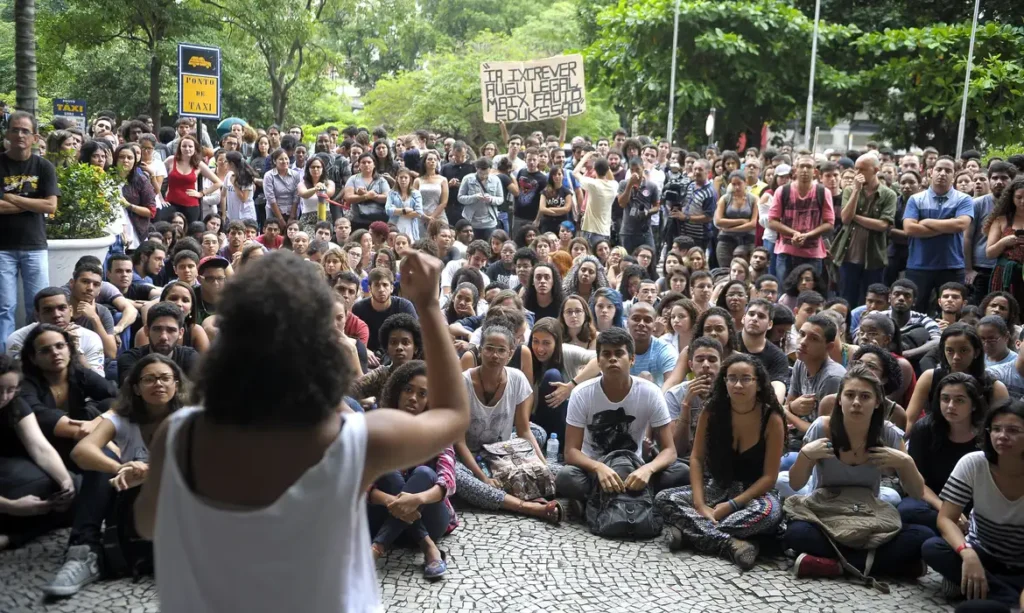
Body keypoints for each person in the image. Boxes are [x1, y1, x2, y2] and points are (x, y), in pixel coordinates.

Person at [782, 366, 931, 580]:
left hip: (867, 516)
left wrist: (906, 462)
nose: (856, 403)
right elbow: (796, 484)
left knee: (922, 536)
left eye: (865, 396)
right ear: (839, 399)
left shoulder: (886, 432)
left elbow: (917, 493)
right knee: (796, 533)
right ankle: (880, 564)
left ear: (877, 402)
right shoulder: (822, 428)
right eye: (850, 395)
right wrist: (805, 455)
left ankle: (837, 565)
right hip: (824, 511)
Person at [656, 354, 785, 569]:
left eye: (746, 379)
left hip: (753, 494)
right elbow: (696, 459)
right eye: (731, 378)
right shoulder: (712, 410)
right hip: (716, 487)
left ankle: (690, 532)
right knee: (663, 499)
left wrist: (732, 505)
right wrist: (699, 505)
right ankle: (732, 544)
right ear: (724, 382)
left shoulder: (772, 418)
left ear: (759, 384)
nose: (737, 385)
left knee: (768, 514)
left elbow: (770, 478)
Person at [556, 327, 687, 511]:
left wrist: (647, 470)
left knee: (681, 472)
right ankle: (631, 499)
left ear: (632, 359)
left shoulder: (650, 392)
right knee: (566, 477)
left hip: (635, 469)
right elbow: (570, 452)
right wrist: (598, 468)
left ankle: (600, 500)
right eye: (606, 354)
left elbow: (670, 451)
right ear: (598, 362)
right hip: (594, 471)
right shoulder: (582, 393)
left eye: (619, 353)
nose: (612, 359)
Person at [920, 399, 1024, 610]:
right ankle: (1002, 592)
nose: (1002, 436)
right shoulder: (974, 463)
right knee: (932, 547)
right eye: (996, 429)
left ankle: (982, 589)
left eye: (1013, 430)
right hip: (981, 550)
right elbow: (946, 518)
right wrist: (967, 553)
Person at [453, 324, 562, 523]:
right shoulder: (462, 382)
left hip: (503, 452)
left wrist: (543, 465)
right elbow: (458, 441)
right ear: (480, 350)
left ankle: (527, 488)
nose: (494, 355)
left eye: (501, 350)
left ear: (510, 354)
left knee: (545, 445)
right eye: (489, 348)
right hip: (468, 455)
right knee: (454, 475)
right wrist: (482, 477)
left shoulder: (517, 378)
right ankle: (526, 506)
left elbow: (524, 430)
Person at [369, 360, 457, 579]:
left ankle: (377, 548)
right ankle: (428, 546)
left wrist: (416, 499)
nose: (413, 398)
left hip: (430, 516)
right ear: (397, 391)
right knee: (388, 472)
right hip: (383, 513)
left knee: (425, 474)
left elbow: (447, 481)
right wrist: (394, 502)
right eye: (408, 390)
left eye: (422, 394)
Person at [0, 354, 76, 551]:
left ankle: (11, 536)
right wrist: (11, 506)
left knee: (75, 487)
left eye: (10, 390)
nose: (4, 397)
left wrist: (64, 480)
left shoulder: (15, 404)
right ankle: (14, 534)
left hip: (13, 467)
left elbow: (39, 447)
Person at [0, 112, 59, 353]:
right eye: (15, 130)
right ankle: (5, 360)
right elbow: (41, 204)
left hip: (35, 246)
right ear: (7, 134)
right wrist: (32, 202)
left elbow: (50, 206)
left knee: (39, 305)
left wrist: (12, 198)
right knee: (4, 307)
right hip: (2, 247)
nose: (20, 135)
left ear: (35, 137)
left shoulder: (44, 166)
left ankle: (35, 354)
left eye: (25, 131)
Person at [898, 372, 984, 537]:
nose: (951, 406)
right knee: (907, 510)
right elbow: (917, 482)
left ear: (973, 404)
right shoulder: (924, 430)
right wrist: (946, 510)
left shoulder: (986, 435)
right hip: (933, 501)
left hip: (972, 505)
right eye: (945, 399)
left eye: (959, 400)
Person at [902, 156, 974, 313]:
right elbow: (909, 229)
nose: (942, 173)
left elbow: (961, 225)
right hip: (918, 265)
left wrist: (926, 221)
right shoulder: (916, 199)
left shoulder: (964, 199)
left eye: (948, 171)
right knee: (915, 311)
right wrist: (948, 225)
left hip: (952, 266)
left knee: (952, 312)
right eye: (939, 169)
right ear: (930, 172)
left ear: (953, 176)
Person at [906, 323, 1009, 432]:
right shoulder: (929, 377)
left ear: (976, 352)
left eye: (963, 350)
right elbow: (910, 420)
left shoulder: (995, 388)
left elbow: (1003, 428)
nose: (956, 357)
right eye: (950, 350)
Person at [780, 314, 847, 471]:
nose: (803, 342)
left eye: (814, 339)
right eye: (802, 334)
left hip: (824, 449)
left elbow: (821, 432)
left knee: (784, 461)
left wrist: (786, 411)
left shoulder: (832, 377)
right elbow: (789, 404)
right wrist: (790, 408)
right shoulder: (800, 362)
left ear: (829, 347)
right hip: (798, 436)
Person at [832, 154, 898, 306]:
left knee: (871, 301)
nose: (858, 173)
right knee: (846, 299)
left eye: (862, 169)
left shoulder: (889, 195)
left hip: (874, 258)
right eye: (856, 169)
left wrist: (856, 217)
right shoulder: (849, 190)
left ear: (875, 170)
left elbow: (883, 225)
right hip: (848, 256)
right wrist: (856, 191)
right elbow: (846, 219)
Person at [6, 287, 105, 375]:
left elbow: (99, 383)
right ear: (37, 316)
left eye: (62, 308)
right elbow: (19, 381)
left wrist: (76, 350)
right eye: (48, 310)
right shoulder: (18, 339)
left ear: (70, 311)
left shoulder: (90, 338)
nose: (57, 315)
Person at [767, 154, 835, 282]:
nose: (805, 170)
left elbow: (829, 223)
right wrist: (794, 233)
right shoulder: (782, 191)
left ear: (815, 172)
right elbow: (772, 221)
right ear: (795, 170)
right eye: (801, 166)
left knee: (810, 295)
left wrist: (807, 235)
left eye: (808, 167)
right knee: (785, 294)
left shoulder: (823, 192)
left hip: (813, 254)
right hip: (786, 252)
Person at [965, 161, 1017, 303]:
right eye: (994, 178)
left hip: (1009, 267)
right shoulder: (978, 204)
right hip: (981, 268)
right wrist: (968, 269)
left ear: (1012, 181)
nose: (999, 182)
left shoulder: (1018, 205)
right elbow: (967, 237)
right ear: (989, 180)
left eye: (1004, 178)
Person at [117, 301, 199, 385]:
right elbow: (129, 391)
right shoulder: (130, 358)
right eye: (157, 329)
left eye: (171, 330)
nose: (163, 337)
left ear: (181, 333)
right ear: (146, 330)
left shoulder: (190, 357)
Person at [351, 313, 422, 404]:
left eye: (405, 342)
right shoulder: (381, 375)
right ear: (387, 348)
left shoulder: (424, 375)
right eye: (393, 342)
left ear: (415, 348)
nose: (399, 347)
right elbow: (350, 391)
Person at [351, 267, 417, 355]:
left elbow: (416, 335)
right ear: (370, 288)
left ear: (392, 288)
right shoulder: (358, 309)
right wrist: (364, 351)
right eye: (377, 285)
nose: (381, 289)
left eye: (385, 285)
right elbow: (351, 337)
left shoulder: (404, 306)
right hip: (368, 357)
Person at [984, 177, 1024, 308]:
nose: (1022, 201)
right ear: (1012, 198)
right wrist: (1003, 242)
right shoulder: (1001, 220)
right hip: (1004, 273)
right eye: (1019, 197)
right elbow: (989, 253)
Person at [164, 135, 221, 224]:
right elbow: (157, 175)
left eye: (190, 146)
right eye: (184, 146)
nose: (187, 149)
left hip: (191, 205)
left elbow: (218, 183)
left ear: (195, 148)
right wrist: (159, 195)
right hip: (171, 203)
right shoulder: (171, 160)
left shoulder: (198, 164)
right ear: (180, 148)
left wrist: (201, 193)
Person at [713, 171, 758, 271]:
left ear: (745, 182)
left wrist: (728, 229)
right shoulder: (725, 199)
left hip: (748, 240)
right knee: (725, 270)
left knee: (749, 270)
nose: (737, 187)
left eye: (739, 184)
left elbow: (753, 224)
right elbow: (718, 221)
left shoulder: (753, 199)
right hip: (726, 240)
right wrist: (741, 221)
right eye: (734, 184)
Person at [625, 302, 676, 387]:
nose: (641, 323)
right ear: (627, 322)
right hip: (624, 397)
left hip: (658, 397)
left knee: (645, 377)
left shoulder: (664, 349)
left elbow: (672, 387)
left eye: (647, 320)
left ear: (654, 325)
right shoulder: (617, 349)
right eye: (636, 319)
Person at [617, 156, 660, 254]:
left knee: (650, 256)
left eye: (637, 169)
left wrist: (648, 212)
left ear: (643, 168)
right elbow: (622, 203)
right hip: (627, 231)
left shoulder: (651, 186)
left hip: (645, 231)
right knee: (628, 260)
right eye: (632, 170)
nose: (634, 172)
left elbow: (657, 207)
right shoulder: (624, 184)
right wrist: (629, 185)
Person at [574, 152, 619, 246]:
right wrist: (603, 160)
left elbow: (575, 172)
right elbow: (611, 178)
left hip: (591, 230)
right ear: (607, 169)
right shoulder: (614, 185)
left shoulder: (593, 184)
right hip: (606, 231)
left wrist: (586, 157)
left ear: (594, 169)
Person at [458, 158, 502, 241]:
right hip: (471, 221)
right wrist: (474, 197)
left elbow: (500, 199)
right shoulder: (467, 179)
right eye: (481, 173)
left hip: (490, 222)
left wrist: (491, 199)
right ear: (476, 169)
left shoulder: (496, 180)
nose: (483, 176)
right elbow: (460, 198)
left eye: (486, 173)